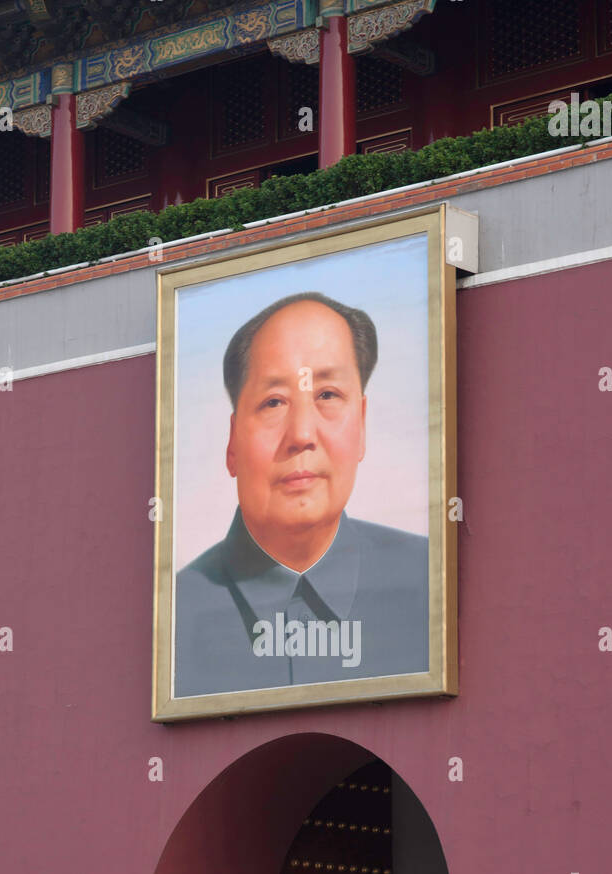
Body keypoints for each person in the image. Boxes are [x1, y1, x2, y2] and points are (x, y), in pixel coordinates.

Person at [174, 292, 429, 698]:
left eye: (327, 395)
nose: (302, 436)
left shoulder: (430, 581)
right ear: (232, 442)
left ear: (361, 424)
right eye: (273, 402)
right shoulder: (173, 616)